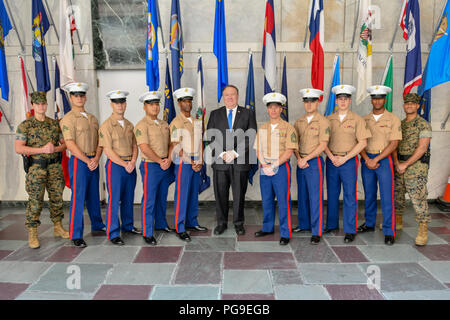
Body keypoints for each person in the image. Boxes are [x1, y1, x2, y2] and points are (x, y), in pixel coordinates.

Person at [15, 91, 69, 249]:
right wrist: (42, 150)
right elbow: (19, 148)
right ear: (32, 105)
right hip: (36, 168)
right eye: (38, 104)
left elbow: (65, 144)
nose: (41, 106)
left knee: (57, 198)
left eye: (43, 103)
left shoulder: (54, 124)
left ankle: (58, 226)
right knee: (35, 201)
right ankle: (32, 232)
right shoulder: (25, 125)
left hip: (54, 167)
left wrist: (55, 148)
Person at [206, 85, 257, 236]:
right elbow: (210, 136)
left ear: (237, 96)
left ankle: (238, 223)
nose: (229, 97)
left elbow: (251, 135)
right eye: (226, 95)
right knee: (220, 194)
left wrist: (234, 153)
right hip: (221, 162)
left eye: (232, 94)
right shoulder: (215, 114)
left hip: (240, 162)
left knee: (239, 194)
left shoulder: (248, 113)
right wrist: (222, 154)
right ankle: (221, 223)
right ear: (223, 97)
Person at [60, 82, 106, 248]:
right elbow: (70, 144)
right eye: (75, 95)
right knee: (78, 198)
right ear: (71, 98)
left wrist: (96, 158)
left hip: (94, 160)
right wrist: (87, 160)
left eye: (81, 95)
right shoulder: (68, 119)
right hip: (79, 162)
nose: (79, 98)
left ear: (85, 97)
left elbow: (101, 141)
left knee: (94, 195)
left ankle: (97, 224)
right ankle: (76, 233)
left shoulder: (93, 118)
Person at [324, 85, 371, 243]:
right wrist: (331, 157)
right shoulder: (328, 119)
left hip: (348, 161)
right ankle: (331, 225)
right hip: (331, 160)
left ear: (350, 101)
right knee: (331, 193)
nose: (342, 101)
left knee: (350, 195)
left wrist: (345, 158)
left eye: (345, 99)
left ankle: (350, 229)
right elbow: (323, 142)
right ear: (336, 101)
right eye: (340, 99)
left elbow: (363, 142)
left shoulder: (357, 119)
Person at [358, 85, 402, 246]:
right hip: (366, 158)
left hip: (383, 159)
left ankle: (389, 230)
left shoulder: (393, 119)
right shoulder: (364, 120)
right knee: (369, 194)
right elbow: (359, 143)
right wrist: (367, 158)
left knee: (386, 195)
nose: (377, 101)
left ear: (385, 99)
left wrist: (376, 159)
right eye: (374, 98)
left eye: (380, 98)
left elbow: (394, 143)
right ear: (371, 100)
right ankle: (369, 223)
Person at [253, 92, 298, 246]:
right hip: (265, 168)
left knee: (283, 201)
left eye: (276, 107)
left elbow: (289, 151)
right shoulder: (263, 128)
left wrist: (273, 165)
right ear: (267, 109)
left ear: (281, 109)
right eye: (270, 107)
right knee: (266, 200)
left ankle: (285, 232)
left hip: (280, 168)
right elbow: (258, 150)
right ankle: (267, 227)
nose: (273, 110)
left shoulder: (288, 128)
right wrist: (265, 165)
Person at [99, 90, 141, 246]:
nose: (120, 105)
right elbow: (108, 150)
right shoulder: (106, 126)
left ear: (125, 104)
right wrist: (125, 164)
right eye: (117, 102)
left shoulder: (129, 124)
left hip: (130, 165)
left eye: (122, 102)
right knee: (114, 199)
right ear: (111, 105)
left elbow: (134, 145)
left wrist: (133, 161)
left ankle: (128, 226)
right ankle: (113, 232)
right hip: (116, 167)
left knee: (129, 198)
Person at [135, 91, 174, 245]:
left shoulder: (164, 124)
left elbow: (172, 143)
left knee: (162, 196)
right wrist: (159, 160)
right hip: (151, 165)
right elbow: (144, 147)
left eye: (157, 104)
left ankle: (161, 224)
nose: (155, 107)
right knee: (149, 199)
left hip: (165, 164)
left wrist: (168, 159)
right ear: (145, 107)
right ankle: (147, 231)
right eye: (151, 104)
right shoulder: (141, 125)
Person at [169, 87, 208, 242]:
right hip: (183, 162)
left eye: (190, 101)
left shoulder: (197, 121)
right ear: (179, 103)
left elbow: (200, 141)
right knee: (182, 194)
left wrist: (200, 159)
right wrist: (191, 161)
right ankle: (180, 227)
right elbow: (176, 145)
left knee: (193, 193)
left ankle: (192, 222)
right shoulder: (176, 122)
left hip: (195, 161)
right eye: (184, 101)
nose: (188, 104)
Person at [394, 93, 432, 246]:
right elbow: (394, 146)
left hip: (416, 166)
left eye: (412, 103)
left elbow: (422, 148)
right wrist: (397, 163)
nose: (409, 105)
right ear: (404, 106)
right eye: (407, 103)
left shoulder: (423, 124)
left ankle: (423, 229)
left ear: (418, 106)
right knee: (397, 195)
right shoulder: (400, 124)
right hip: (400, 163)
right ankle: (398, 221)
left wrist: (405, 164)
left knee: (418, 198)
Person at [293, 88, 330, 244]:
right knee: (302, 195)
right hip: (300, 161)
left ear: (318, 101)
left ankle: (316, 230)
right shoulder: (298, 122)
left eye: (312, 101)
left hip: (314, 162)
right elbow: (293, 144)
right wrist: (299, 158)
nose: (309, 104)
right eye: (306, 101)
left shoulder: (323, 121)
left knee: (315, 196)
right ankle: (304, 224)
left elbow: (323, 145)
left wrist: (305, 158)